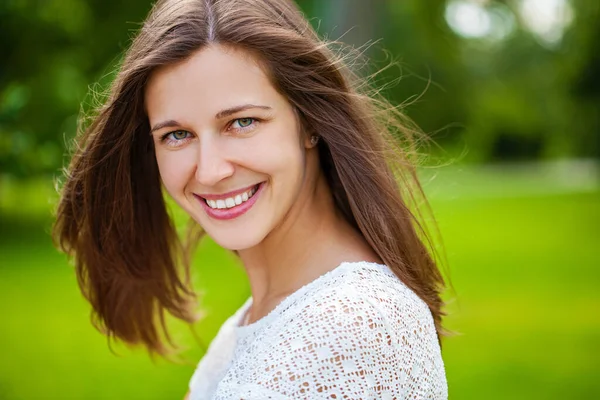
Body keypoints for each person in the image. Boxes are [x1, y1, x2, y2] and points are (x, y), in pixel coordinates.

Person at [54, 0, 451, 398]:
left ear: (310, 120)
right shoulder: (261, 319)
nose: (209, 171)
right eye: (177, 135)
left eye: (242, 122)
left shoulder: (352, 324)